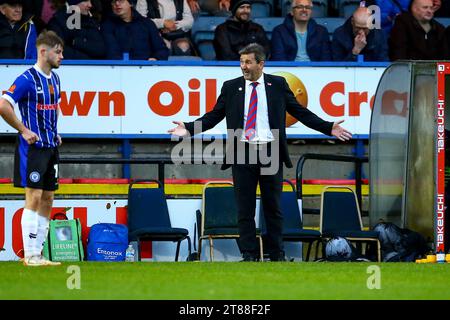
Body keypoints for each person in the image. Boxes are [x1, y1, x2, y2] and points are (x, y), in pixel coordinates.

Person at [168, 43, 352, 262]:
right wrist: (189, 128)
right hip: (242, 151)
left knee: (273, 207)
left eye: (248, 62)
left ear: (261, 63)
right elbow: (213, 116)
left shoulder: (278, 84)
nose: (243, 67)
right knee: (244, 208)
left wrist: (328, 126)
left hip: (270, 151)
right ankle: (249, 254)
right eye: (241, 62)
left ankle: (277, 254)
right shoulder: (230, 87)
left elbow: (300, 112)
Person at [0, 30, 64, 266]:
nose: (62, 56)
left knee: (48, 198)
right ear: (43, 51)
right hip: (33, 148)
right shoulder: (27, 78)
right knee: (34, 196)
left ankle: (38, 254)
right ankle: (29, 255)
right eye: (58, 52)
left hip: (51, 147)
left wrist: (54, 132)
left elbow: (52, 107)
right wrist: (23, 130)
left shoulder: (55, 79)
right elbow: (4, 105)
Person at [102, 0, 170, 60]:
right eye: (113, 1)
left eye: (121, 0)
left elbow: (161, 49)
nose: (117, 4)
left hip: (146, 68)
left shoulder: (147, 23)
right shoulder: (107, 25)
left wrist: (156, 58)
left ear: (130, 3)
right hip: (119, 69)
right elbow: (111, 52)